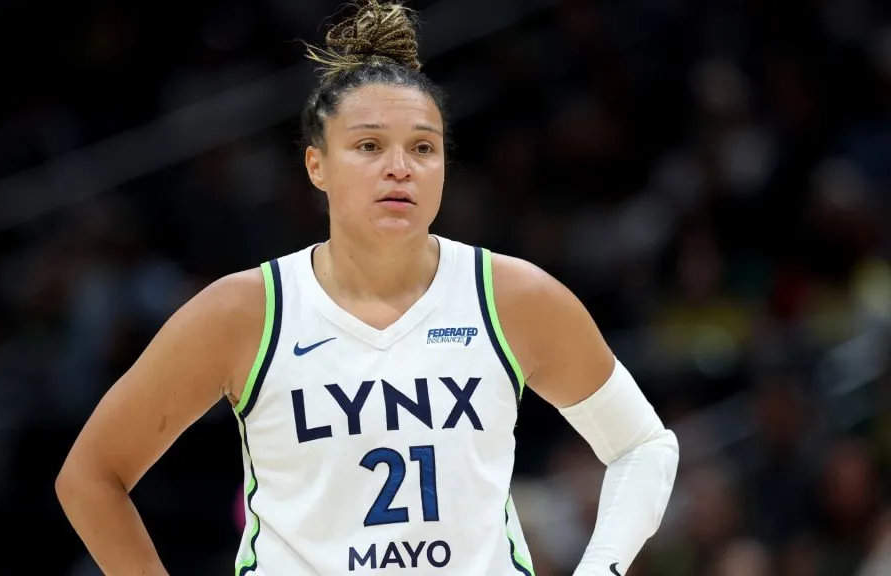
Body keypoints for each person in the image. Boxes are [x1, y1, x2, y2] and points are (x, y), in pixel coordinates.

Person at [54, 1, 680, 574]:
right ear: (315, 165)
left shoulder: (512, 296)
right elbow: (90, 476)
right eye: (369, 146)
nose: (399, 167)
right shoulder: (245, 309)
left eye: (423, 148)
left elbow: (644, 445)